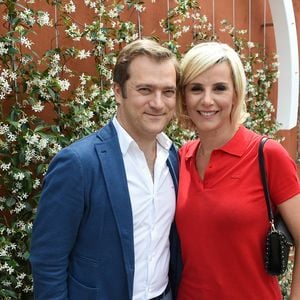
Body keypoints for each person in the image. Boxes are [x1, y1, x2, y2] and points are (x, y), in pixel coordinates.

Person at [30, 38, 182, 300]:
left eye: (167, 92)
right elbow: (48, 261)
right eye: (145, 90)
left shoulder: (175, 157)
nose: (158, 103)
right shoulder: (78, 163)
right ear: (117, 91)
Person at [175, 41, 300, 299]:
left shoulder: (266, 155)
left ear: (235, 94)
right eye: (196, 88)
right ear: (184, 98)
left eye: (219, 88)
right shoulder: (181, 157)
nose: (207, 100)